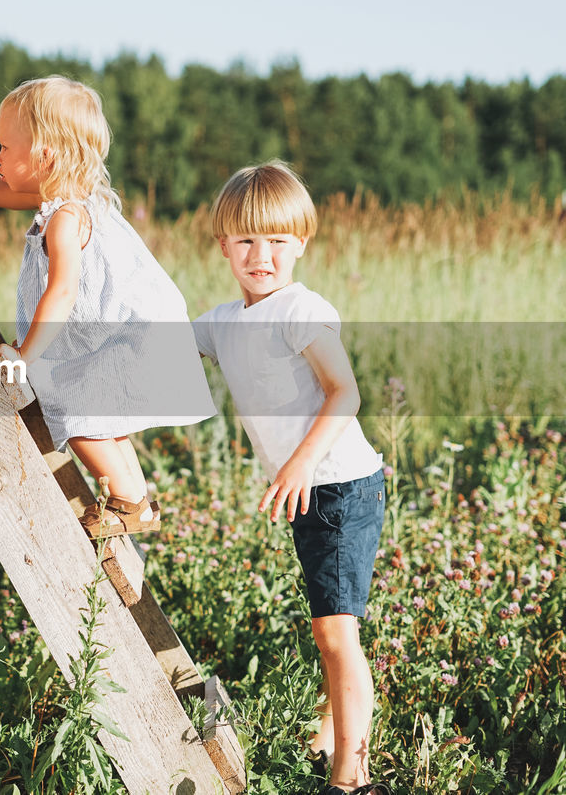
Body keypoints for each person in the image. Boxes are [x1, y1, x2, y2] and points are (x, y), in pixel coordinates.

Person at [0, 76, 214, 537]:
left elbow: (61, 292)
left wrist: (25, 356)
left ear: (45, 154)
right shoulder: (69, 201)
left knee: (73, 403)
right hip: (134, 331)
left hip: (132, 336)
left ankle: (128, 503)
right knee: (99, 415)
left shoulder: (65, 219)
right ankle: (136, 501)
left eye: (6, 146)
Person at [192, 162, 389, 795]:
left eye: (278, 241)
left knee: (336, 630)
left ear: (301, 242)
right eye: (246, 240)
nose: (262, 256)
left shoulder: (301, 309)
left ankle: (350, 778)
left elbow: (345, 392)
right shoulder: (224, 322)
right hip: (308, 488)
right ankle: (331, 731)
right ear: (223, 245)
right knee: (332, 624)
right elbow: (159, 343)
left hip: (340, 484)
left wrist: (300, 462)